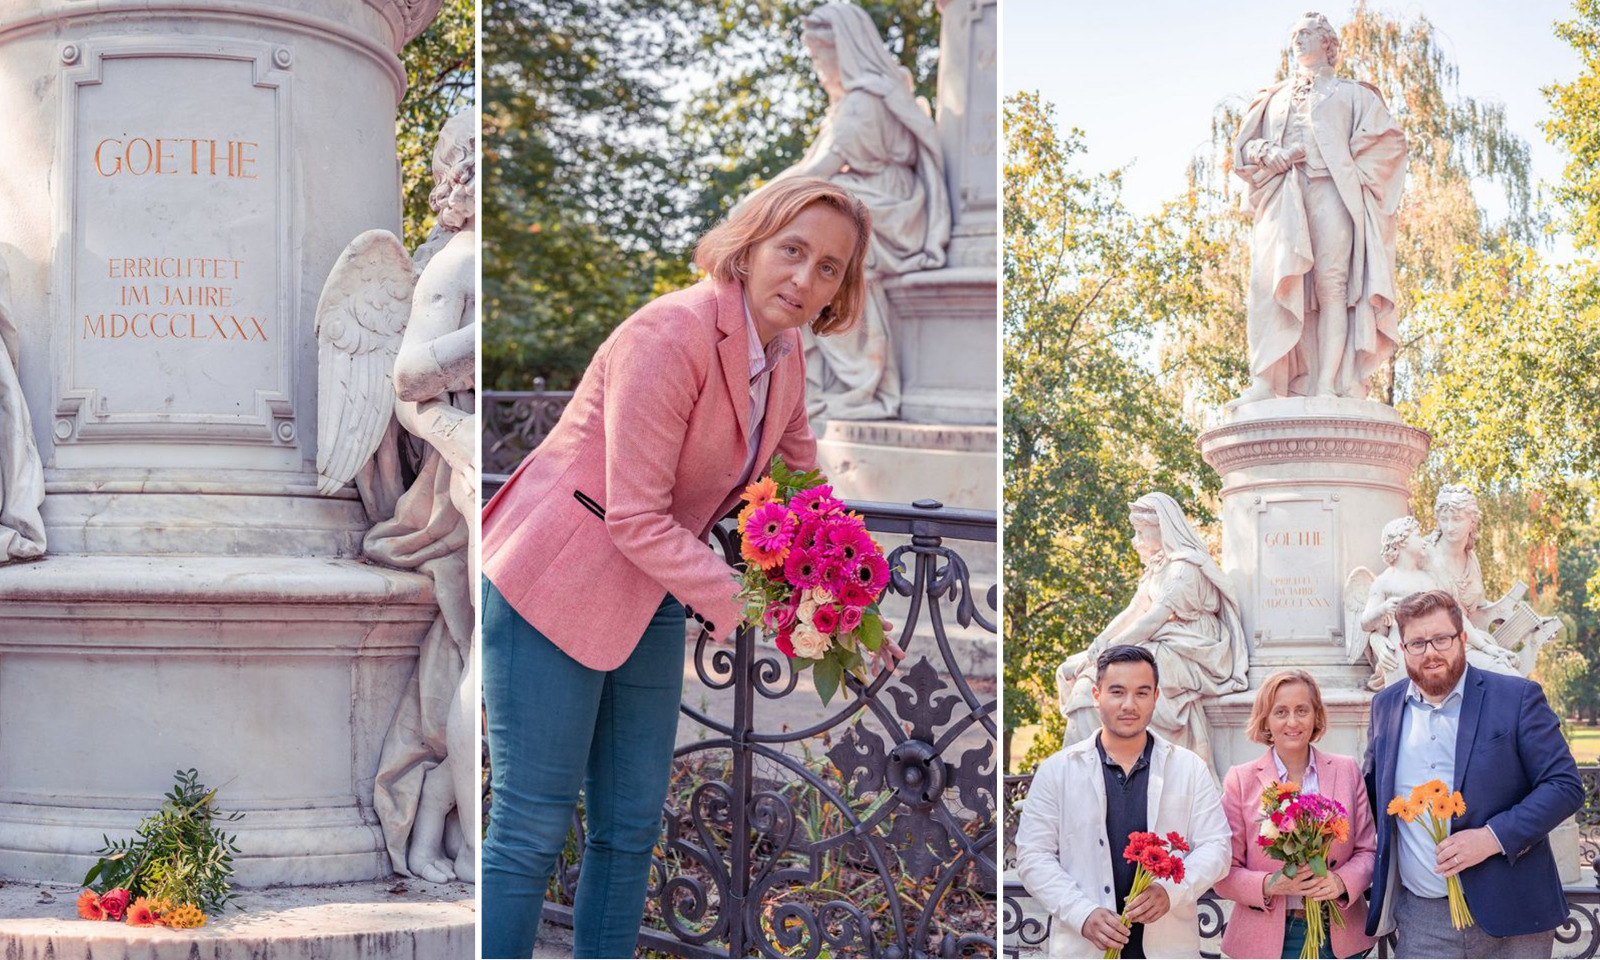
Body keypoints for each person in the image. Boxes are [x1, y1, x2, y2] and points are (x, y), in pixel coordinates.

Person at [478, 177, 872, 959]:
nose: (805, 279)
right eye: (792, 250)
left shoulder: (785, 357)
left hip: (652, 584)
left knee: (631, 828)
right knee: (531, 828)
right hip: (551, 579)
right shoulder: (673, 332)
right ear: (751, 244)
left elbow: (804, 502)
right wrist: (763, 610)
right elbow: (630, 514)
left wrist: (858, 619)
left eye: (830, 267)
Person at [1362, 589, 1582, 958]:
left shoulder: (1518, 698)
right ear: (1402, 649)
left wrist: (1492, 837)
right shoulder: (1385, 706)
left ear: (1463, 638)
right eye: (1417, 643)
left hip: (1513, 914)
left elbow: (1564, 786)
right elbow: (1371, 797)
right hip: (1422, 919)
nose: (1430, 652)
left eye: (1441, 639)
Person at [774, 1, 949, 425]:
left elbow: (817, 170)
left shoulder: (861, 104)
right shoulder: (873, 95)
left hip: (891, 213)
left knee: (819, 243)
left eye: (820, 56)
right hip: (889, 205)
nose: (817, 68)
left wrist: (758, 201)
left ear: (844, 50)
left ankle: (857, 383)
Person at [1231, 11, 1406, 404]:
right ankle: (1266, 380)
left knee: (1333, 288)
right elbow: (1244, 147)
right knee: (1271, 282)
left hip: (1332, 192)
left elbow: (1390, 145)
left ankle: (1328, 384)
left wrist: (1356, 177)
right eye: (1294, 33)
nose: (1298, 39)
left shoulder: (1354, 94)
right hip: (1284, 195)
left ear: (1328, 43)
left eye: (1307, 33)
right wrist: (1267, 151)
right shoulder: (1272, 97)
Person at [1017, 644, 1230, 958]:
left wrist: (1171, 891)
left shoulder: (1189, 768)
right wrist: (1082, 913)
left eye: (1142, 693)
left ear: (1156, 697)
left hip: (1168, 947)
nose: (1129, 704)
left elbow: (1218, 847)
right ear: (1096, 695)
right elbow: (1033, 855)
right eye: (1117, 692)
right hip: (1084, 946)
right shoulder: (1057, 771)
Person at [1057, 493, 1249, 766]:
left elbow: (1152, 621)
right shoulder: (1160, 568)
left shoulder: (1184, 569)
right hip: (1167, 642)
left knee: (1103, 679)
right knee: (1080, 674)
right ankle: (1073, 771)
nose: (1135, 542)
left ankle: (1084, 769)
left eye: (1140, 533)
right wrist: (1100, 642)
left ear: (1162, 531)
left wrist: (1108, 652)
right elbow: (1135, 611)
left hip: (1192, 651)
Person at [1217, 669, 1377, 958]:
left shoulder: (1347, 770)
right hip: (1268, 939)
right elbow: (1223, 872)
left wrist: (1340, 882)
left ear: (1315, 715)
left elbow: (1368, 852)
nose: (1292, 722)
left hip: (1339, 934)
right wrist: (1271, 884)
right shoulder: (1240, 780)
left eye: (1302, 710)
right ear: (1266, 719)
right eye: (1280, 712)